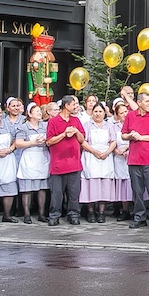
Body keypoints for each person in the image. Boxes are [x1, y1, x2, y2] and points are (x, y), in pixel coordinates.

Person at [123, 90, 149, 230]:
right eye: (147, 101)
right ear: (139, 102)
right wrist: (131, 136)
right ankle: (139, 217)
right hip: (134, 159)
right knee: (137, 191)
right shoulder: (130, 115)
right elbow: (123, 135)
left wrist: (141, 137)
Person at [46, 95, 85, 226]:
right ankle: (54, 215)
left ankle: (73, 214)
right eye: (74, 104)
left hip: (74, 162)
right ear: (66, 105)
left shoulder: (76, 120)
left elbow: (82, 139)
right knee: (57, 193)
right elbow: (49, 141)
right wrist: (63, 134)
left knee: (74, 192)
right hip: (58, 163)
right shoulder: (53, 121)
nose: (76, 107)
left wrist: (75, 132)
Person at [79, 102, 121, 222]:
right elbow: (83, 141)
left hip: (105, 157)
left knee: (103, 185)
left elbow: (113, 141)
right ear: (92, 113)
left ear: (104, 113)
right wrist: (94, 151)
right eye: (95, 111)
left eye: (100, 111)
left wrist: (107, 152)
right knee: (91, 185)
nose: (98, 114)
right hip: (90, 156)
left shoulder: (109, 126)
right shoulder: (87, 125)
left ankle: (101, 213)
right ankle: (91, 212)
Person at [16, 100, 52, 223]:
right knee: (27, 189)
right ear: (29, 114)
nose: (39, 113)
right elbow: (18, 143)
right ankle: (27, 214)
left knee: (42, 188)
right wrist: (33, 142)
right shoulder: (23, 127)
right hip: (29, 157)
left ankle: (41, 214)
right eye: (36, 111)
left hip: (42, 157)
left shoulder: (45, 126)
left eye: (39, 111)